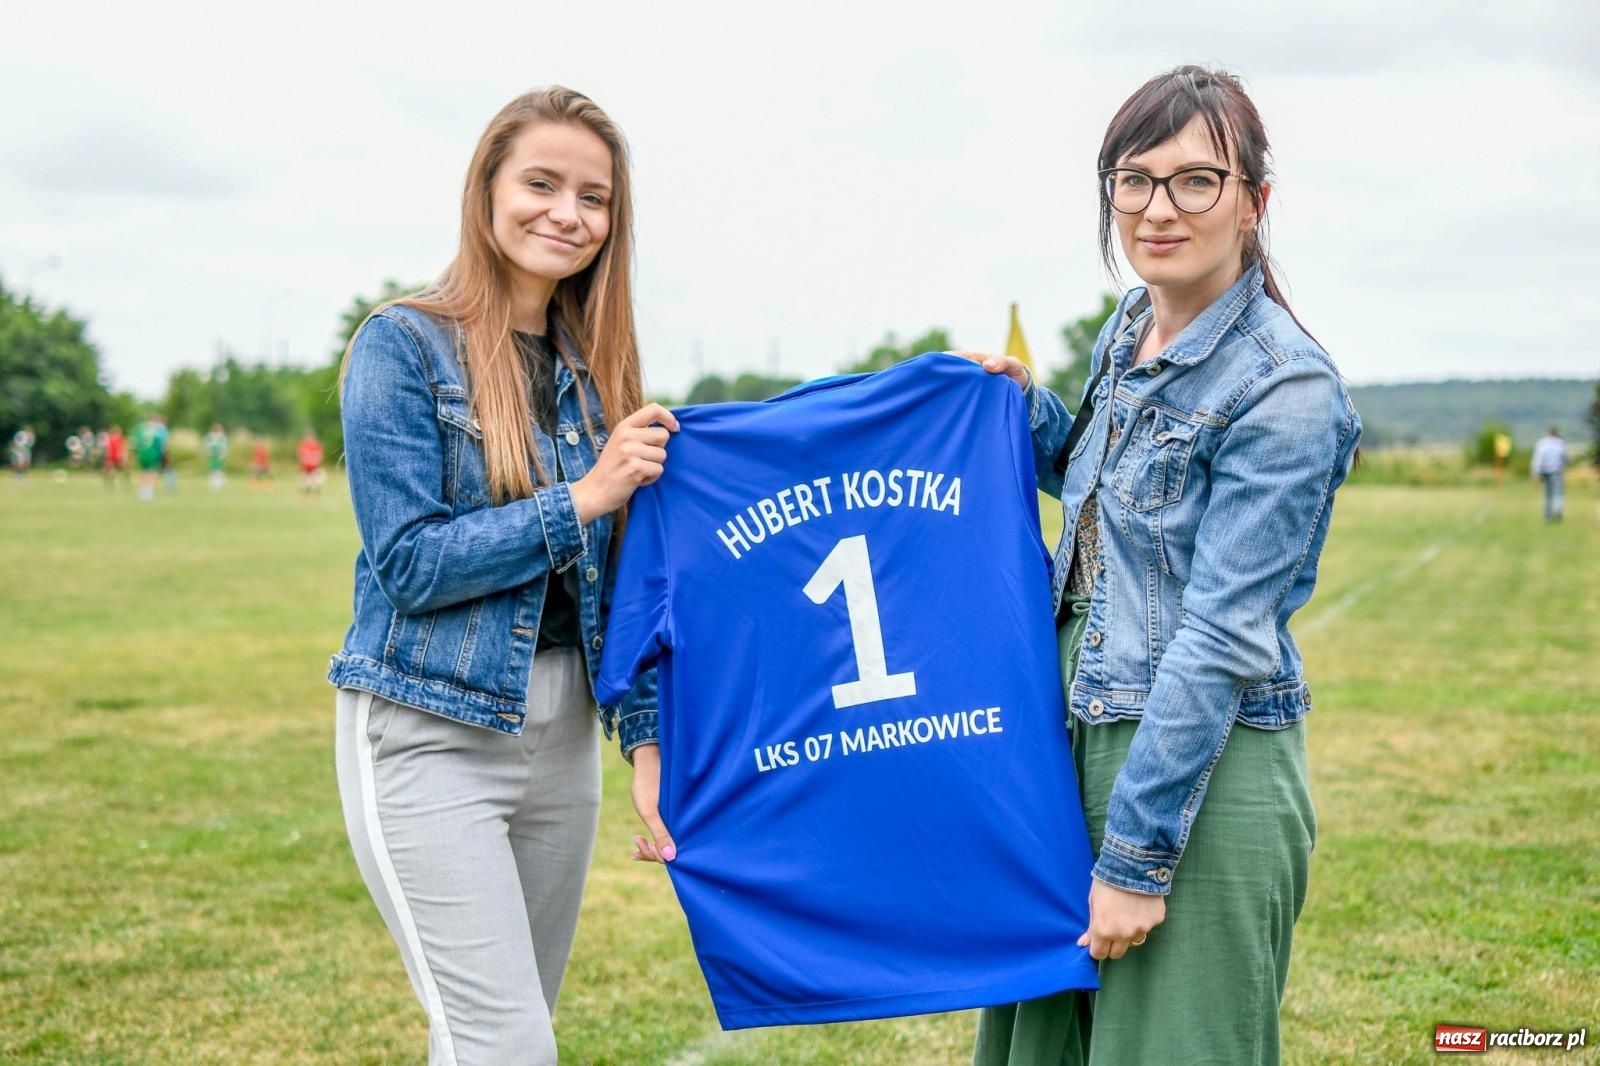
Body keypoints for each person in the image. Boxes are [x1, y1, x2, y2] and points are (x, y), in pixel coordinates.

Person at [966, 66, 1362, 1066]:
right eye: (1133, 179)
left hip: (1194, 769)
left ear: (1252, 201)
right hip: (1069, 742)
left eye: (1195, 180)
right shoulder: (1126, 332)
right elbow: (1116, 505)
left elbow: (1220, 633)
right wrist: (1025, 413)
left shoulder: (1287, 388)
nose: (1156, 207)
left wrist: (1139, 860)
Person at [328, 86, 673, 1066]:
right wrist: (584, 497)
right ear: (487, 189)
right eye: (542, 183)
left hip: (561, 740)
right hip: (428, 728)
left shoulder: (596, 367)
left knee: (494, 1037)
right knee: (506, 1045)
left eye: (594, 197)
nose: (568, 213)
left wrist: (646, 745)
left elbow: (626, 581)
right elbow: (410, 563)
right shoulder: (399, 344)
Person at [1530, 424, 1568, 523]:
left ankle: (1548, 516)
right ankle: (1558, 511)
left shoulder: (1542, 443)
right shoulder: (1561, 443)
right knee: (1558, 494)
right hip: (1558, 472)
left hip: (1546, 473)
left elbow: (1537, 460)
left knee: (1547, 495)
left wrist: (1535, 474)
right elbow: (1565, 458)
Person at [131, 414, 168, 502]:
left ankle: (143, 490)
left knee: (143, 472)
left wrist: (134, 454)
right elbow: (161, 444)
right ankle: (149, 492)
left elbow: (134, 443)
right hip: (152, 454)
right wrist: (163, 455)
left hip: (141, 454)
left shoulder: (140, 429)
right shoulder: (156, 430)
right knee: (152, 473)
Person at [295, 427, 324, 496]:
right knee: (306, 477)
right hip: (306, 464)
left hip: (313, 464)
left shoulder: (316, 444)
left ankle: (316, 490)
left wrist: (316, 460)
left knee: (314, 477)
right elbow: (300, 454)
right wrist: (303, 459)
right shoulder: (303, 444)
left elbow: (319, 454)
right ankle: (308, 490)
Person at [204, 423, 229, 492]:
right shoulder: (211, 436)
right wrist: (208, 451)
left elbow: (224, 446)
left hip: (218, 455)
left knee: (218, 470)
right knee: (214, 470)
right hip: (213, 455)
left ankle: (219, 483)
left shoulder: (221, 436)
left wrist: (223, 454)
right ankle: (214, 483)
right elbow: (207, 445)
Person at [103, 426, 128, 490]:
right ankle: (113, 482)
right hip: (112, 457)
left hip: (117, 457)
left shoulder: (120, 438)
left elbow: (123, 448)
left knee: (121, 470)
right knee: (111, 470)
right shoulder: (110, 438)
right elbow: (108, 448)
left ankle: (123, 481)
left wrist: (124, 456)